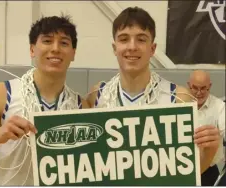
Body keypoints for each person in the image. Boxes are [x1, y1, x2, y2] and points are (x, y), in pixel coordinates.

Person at [87, 6, 220, 181]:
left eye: (141, 39)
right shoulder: (97, 95)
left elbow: (188, 172)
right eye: (124, 39)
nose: (132, 47)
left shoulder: (179, 97)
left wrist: (210, 151)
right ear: (114, 47)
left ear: (152, 48)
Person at [0, 15, 89, 185]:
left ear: (73, 53)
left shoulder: (81, 106)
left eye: (64, 43)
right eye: (47, 41)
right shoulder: (2, 94)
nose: (56, 48)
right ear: (32, 49)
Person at [188, 70, 225, 186]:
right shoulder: (178, 104)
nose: (199, 93)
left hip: (209, 171)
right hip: (184, 170)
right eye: (195, 88)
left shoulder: (220, 107)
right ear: (188, 85)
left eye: (204, 88)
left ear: (210, 86)